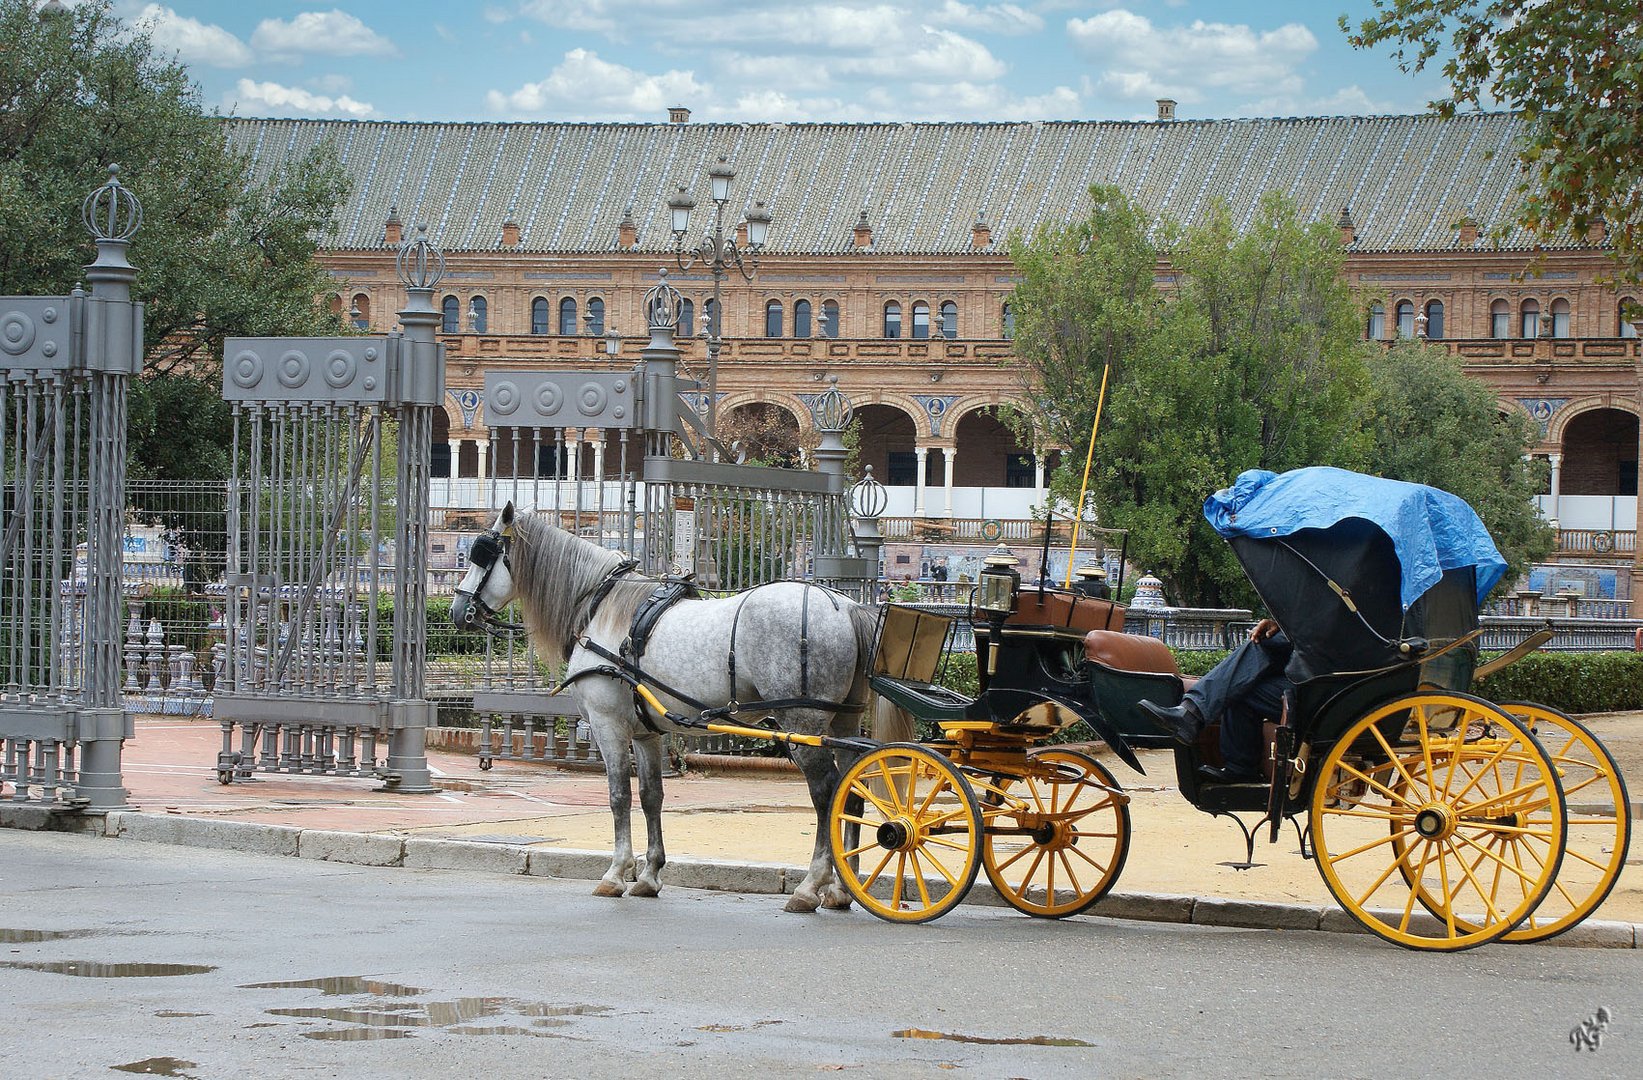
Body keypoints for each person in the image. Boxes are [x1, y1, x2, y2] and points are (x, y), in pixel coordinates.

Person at [1138, 618, 1290, 783]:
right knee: (1240, 683)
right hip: (1304, 675)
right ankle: (1240, 768)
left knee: (1258, 650)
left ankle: (1190, 714)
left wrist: (1283, 631)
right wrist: (1280, 625)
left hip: (1314, 687)